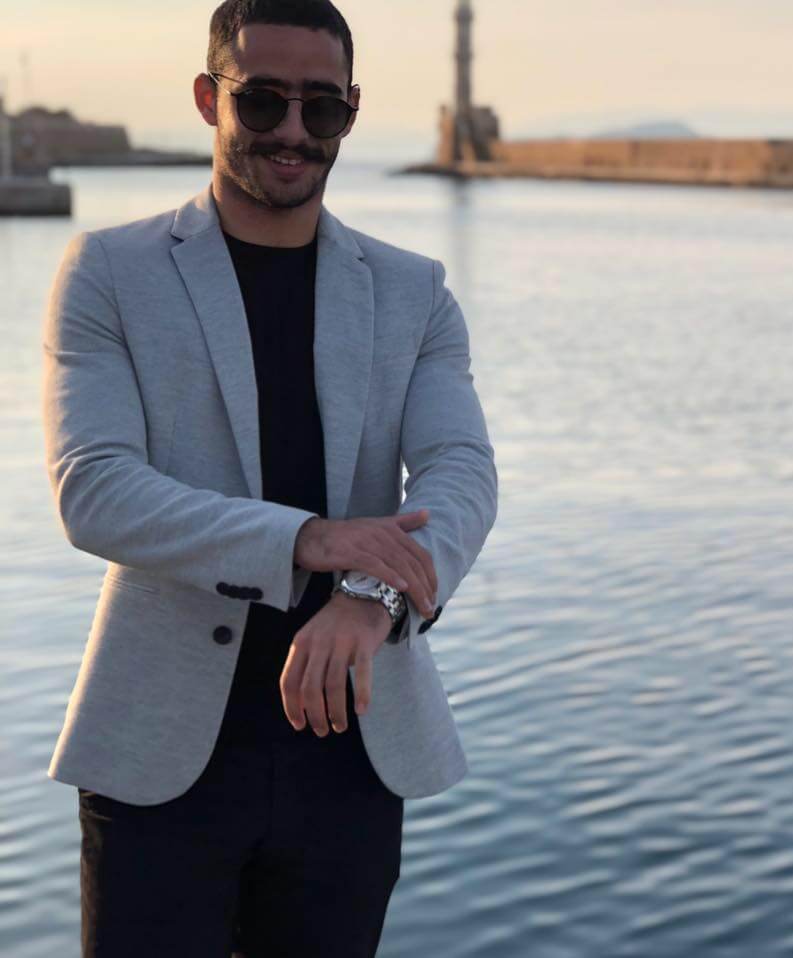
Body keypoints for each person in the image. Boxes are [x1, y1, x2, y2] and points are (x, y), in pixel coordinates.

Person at [39, 1, 498, 955]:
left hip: (353, 751)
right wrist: (309, 539)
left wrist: (373, 597)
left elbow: (460, 472)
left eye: (320, 107)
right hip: (159, 755)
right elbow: (94, 487)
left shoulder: (413, 292)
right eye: (262, 101)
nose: (292, 130)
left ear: (351, 113)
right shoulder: (111, 272)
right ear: (210, 99)